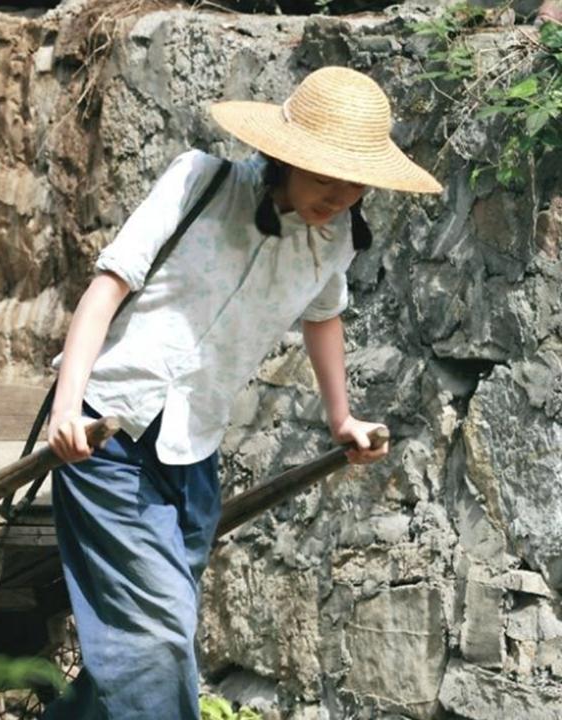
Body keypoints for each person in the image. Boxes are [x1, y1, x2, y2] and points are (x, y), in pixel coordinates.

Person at [42, 67, 443, 719]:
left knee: (137, 646)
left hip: (192, 455)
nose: (340, 194)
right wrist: (66, 405)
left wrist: (341, 418)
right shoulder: (201, 182)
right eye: (324, 175)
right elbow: (106, 288)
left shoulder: (334, 237)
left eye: (354, 181)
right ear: (285, 157)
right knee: (158, 642)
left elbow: (324, 316)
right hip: (106, 440)